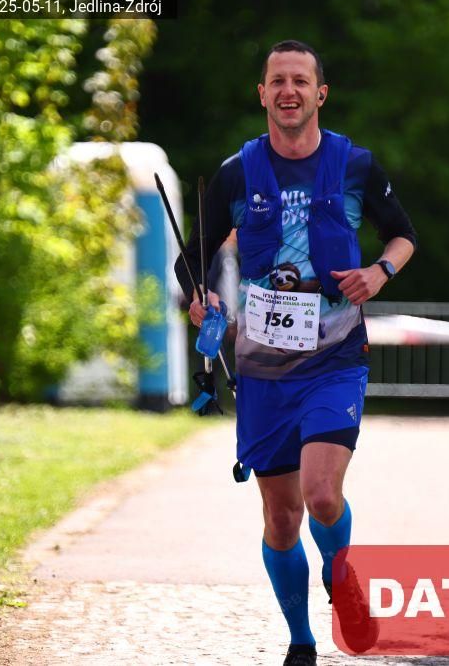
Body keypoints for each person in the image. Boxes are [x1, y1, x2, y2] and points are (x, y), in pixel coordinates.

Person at [175, 40, 416, 666]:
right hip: (262, 368)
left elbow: (403, 235)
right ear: (262, 94)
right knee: (281, 520)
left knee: (321, 495)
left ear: (319, 93)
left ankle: (342, 574)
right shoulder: (236, 173)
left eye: (300, 81)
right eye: (277, 81)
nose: (289, 91)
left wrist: (379, 272)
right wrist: (201, 300)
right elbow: (190, 260)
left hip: (335, 358)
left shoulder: (355, 164)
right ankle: (301, 640)